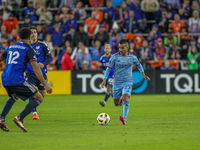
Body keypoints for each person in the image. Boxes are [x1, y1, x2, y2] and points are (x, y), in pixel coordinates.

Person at [0, 27, 52, 132]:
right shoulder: (29, 49)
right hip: (17, 79)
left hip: (5, 78)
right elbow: (36, 69)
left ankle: (1, 119)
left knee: (14, 96)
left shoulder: (11, 46)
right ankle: (19, 118)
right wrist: (45, 85)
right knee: (39, 97)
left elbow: (1, 57)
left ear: (19, 36)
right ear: (29, 37)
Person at [101, 39, 150, 125]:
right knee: (116, 103)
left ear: (127, 48)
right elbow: (108, 69)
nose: (120, 50)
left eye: (122, 48)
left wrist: (143, 74)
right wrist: (104, 79)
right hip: (117, 82)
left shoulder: (132, 57)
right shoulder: (115, 57)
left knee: (125, 98)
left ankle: (124, 118)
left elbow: (139, 65)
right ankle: (120, 101)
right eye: (119, 48)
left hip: (128, 81)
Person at [25, 26, 53, 120]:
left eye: (35, 32)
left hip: (42, 74)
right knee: (32, 93)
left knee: (41, 96)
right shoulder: (25, 46)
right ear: (29, 35)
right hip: (30, 73)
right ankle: (34, 113)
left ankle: (33, 110)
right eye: (31, 32)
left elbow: (50, 58)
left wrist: (43, 64)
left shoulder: (42, 45)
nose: (33, 34)